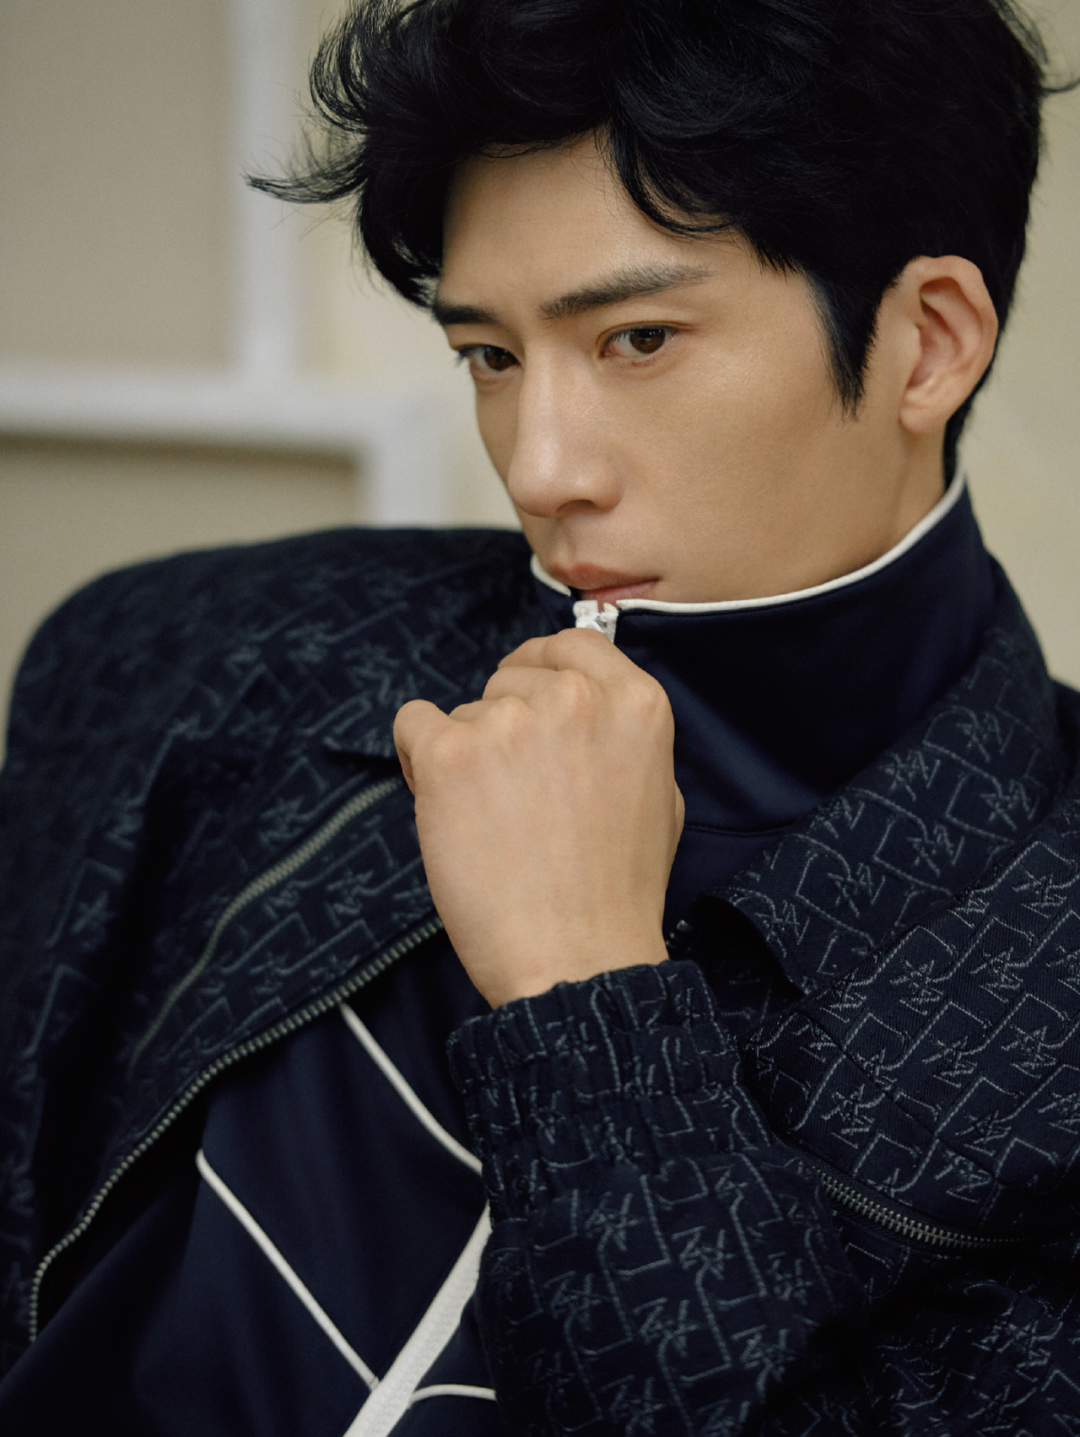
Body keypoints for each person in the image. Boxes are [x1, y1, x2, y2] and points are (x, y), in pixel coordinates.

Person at [1, 0, 1079, 1431]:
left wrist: (585, 990)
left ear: (928, 342)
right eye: (490, 356)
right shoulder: (197, 654)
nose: (541, 470)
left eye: (637, 338)